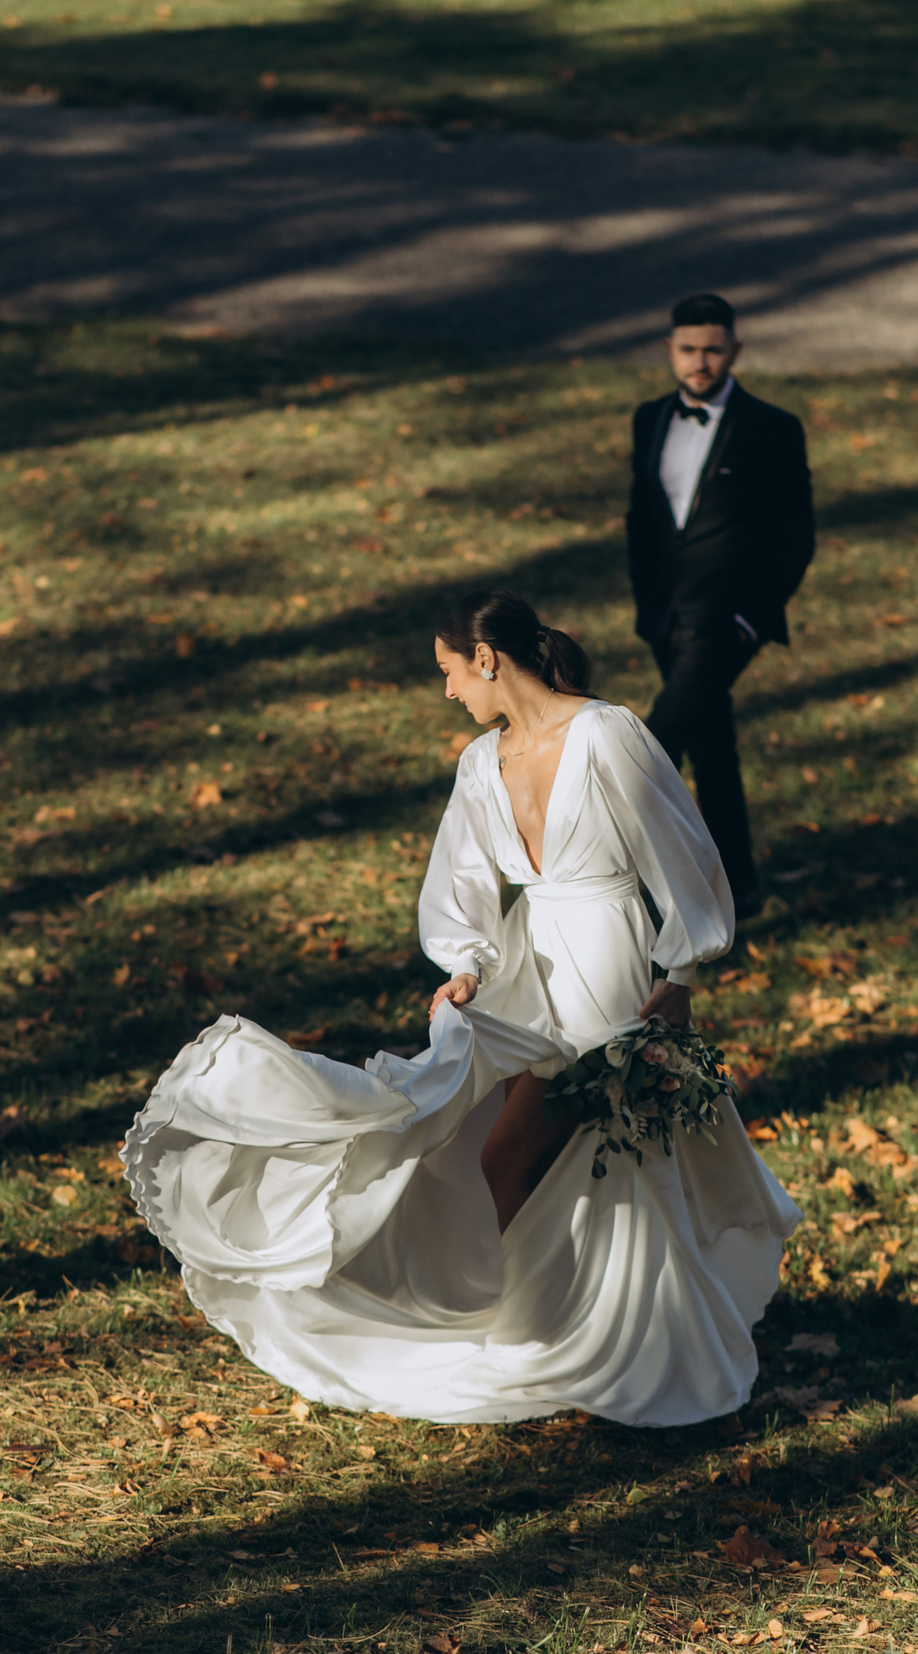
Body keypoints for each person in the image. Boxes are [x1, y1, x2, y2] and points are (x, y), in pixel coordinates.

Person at [120, 589, 800, 1427]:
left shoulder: (607, 734)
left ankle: (569, 1336)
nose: (447, 691)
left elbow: (683, 850)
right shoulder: (483, 763)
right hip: (526, 972)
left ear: (487, 657)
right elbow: (464, 880)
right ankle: (555, 1323)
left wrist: (683, 972)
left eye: (449, 671)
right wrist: (468, 966)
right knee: (502, 1146)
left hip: (607, 965)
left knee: (548, 1153)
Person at [625, 292, 815, 909]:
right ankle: (738, 887)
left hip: (727, 623)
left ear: (735, 350)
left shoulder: (772, 428)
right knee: (711, 744)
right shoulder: (650, 418)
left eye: (712, 350)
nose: (700, 362)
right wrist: (647, 606)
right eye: (688, 350)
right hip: (666, 619)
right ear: (669, 350)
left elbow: (796, 536)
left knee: (655, 743)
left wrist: (750, 619)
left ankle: (625, 880)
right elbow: (642, 518)